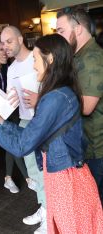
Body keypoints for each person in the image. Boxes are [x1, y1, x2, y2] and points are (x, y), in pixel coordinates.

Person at [0, 33, 103, 234]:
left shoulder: (54, 98)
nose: (34, 65)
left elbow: (22, 145)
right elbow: (31, 134)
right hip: (66, 175)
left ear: (50, 59)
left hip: (65, 180)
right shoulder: (61, 91)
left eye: (35, 59)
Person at [0, 25, 46, 233]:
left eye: (9, 41)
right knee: (33, 171)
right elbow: (11, 99)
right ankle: (44, 207)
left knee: (46, 169)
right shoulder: (11, 69)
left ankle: (49, 213)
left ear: (20, 40)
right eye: (2, 42)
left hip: (44, 120)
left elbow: (54, 90)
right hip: (25, 121)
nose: (5, 46)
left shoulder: (37, 58)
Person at [56, 8, 103, 203]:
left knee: (95, 205)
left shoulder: (92, 58)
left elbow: (86, 107)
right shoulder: (79, 56)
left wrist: (53, 101)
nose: (58, 37)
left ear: (79, 29)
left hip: (96, 147)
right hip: (86, 143)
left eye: (61, 30)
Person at [0, 41, 35, 194]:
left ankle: (8, 178)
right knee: (12, 142)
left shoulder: (11, 67)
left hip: (14, 109)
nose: (4, 52)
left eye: (6, 49)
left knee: (11, 142)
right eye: (1, 49)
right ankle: (27, 178)